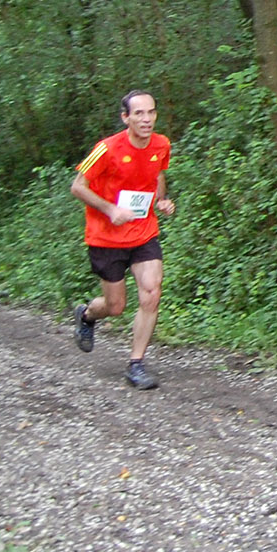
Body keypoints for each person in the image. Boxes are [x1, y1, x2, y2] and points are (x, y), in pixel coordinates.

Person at [69, 90, 175, 390]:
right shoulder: (106, 148)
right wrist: (109, 208)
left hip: (143, 233)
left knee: (152, 292)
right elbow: (77, 187)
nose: (146, 119)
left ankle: (136, 363)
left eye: (151, 112)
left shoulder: (161, 144)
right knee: (115, 306)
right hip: (106, 236)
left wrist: (161, 201)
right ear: (125, 117)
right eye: (139, 113)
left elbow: (157, 175)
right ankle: (87, 315)